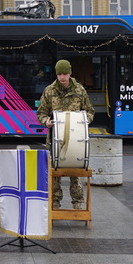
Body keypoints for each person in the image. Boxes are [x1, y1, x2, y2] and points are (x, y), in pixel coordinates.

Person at [36, 59, 94, 209]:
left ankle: (78, 203)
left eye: (65, 74)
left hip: (76, 140)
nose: (62, 77)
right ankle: (55, 203)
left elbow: (90, 111)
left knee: (75, 172)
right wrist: (46, 122)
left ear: (70, 73)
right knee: (54, 172)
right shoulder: (49, 91)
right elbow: (41, 113)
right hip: (55, 139)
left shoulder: (80, 90)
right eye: (60, 74)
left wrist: (84, 120)